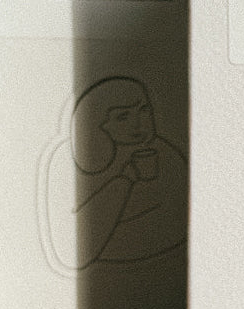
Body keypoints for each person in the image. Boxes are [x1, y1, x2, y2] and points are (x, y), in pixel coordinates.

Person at [41, 75, 188, 271]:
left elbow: (175, 222)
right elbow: (72, 251)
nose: (138, 124)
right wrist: (127, 178)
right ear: (96, 123)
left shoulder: (164, 154)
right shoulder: (66, 159)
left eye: (143, 111)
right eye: (123, 116)